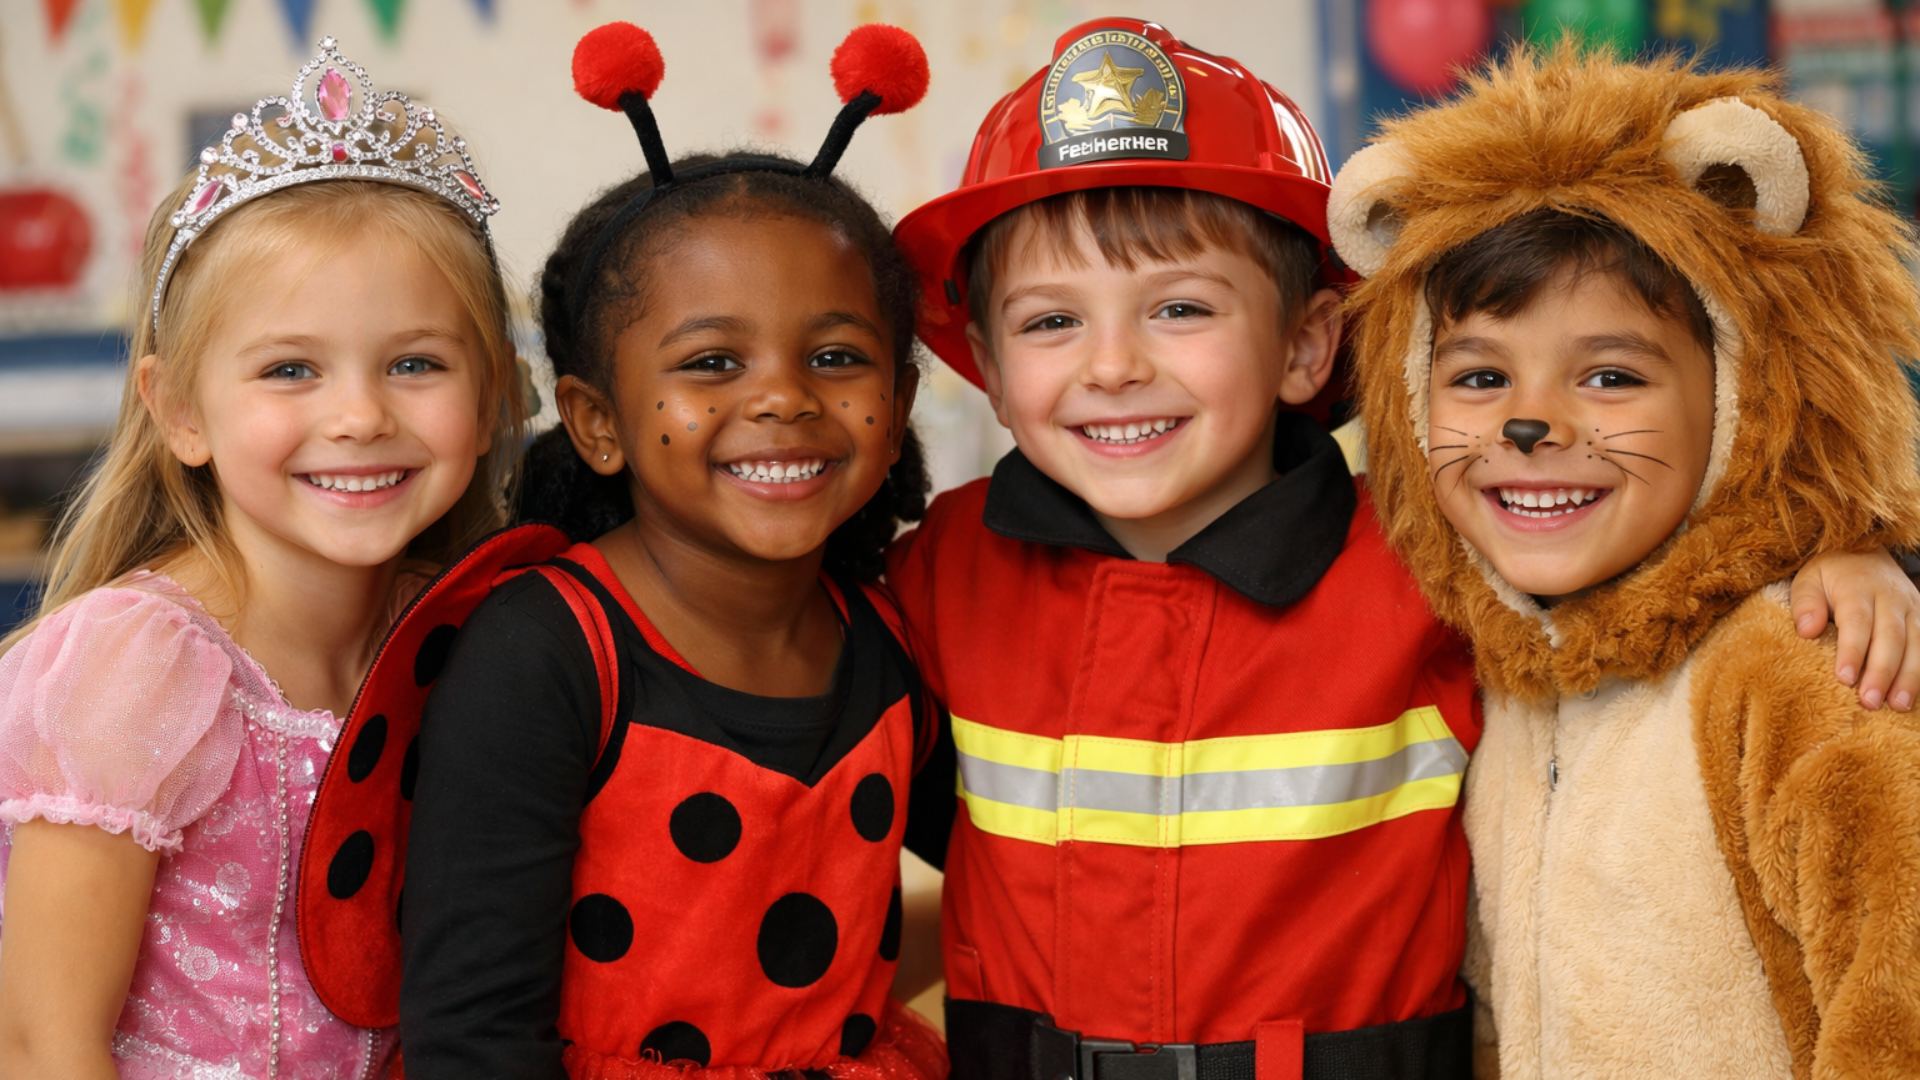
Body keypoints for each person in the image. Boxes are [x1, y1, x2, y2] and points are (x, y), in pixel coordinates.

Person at [885, 18, 1920, 1080]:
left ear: (1305, 345)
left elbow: (1656, 553)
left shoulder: (1431, 554)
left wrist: (1847, 545)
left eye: (1180, 308)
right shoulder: (942, 570)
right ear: (989, 370)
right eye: (1051, 323)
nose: (1110, 366)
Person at [1325, 47, 1920, 1079]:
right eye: (1475, 374)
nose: (1526, 422)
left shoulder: (1804, 669)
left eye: (1609, 374)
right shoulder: (1504, 684)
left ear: (1749, 391)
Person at [390, 24, 949, 1080]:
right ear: (597, 423)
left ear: (902, 402)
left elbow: (1017, 870)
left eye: (835, 356)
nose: (782, 395)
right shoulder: (543, 654)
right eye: (712, 362)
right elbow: (471, 1036)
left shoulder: (891, 635)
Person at [0, 38, 522, 1080]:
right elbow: (41, 1043)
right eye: (291, 369)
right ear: (180, 411)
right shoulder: (138, 665)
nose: (361, 414)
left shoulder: (479, 634)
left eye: (416, 363)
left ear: (494, 393)